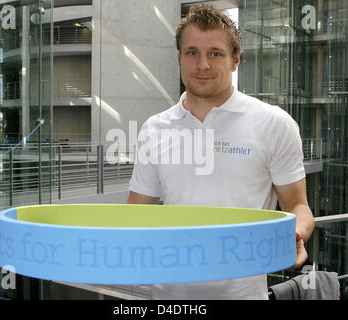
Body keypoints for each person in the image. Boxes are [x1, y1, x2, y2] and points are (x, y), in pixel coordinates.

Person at [127, 4, 314, 299]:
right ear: (179, 58)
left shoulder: (274, 123)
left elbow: (298, 206)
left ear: (235, 59)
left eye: (215, 53)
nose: (202, 64)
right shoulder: (154, 129)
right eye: (192, 52)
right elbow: (137, 215)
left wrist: (294, 233)